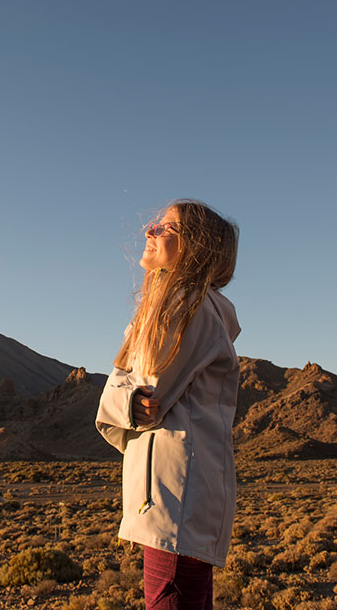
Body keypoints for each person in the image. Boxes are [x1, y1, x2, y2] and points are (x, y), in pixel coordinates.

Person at [95, 199, 240, 610]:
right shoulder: (185, 305)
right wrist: (126, 396)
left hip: (174, 495)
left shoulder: (184, 304)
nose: (150, 231)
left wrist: (120, 398)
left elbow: (146, 390)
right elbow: (133, 387)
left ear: (196, 247)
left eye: (166, 228)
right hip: (179, 493)